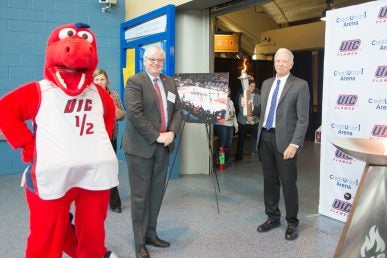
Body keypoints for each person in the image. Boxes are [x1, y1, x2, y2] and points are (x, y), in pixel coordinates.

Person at [0, 23, 118, 258]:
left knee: (93, 236)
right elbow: (5, 110)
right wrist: (27, 144)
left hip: (95, 172)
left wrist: (101, 142)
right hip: (51, 173)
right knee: (46, 237)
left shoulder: (98, 93)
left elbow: (109, 114)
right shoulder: (39, 90)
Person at [122, 45, 182, 258]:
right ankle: (139, 244)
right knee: (140, 197)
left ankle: (151, 234)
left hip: (163, 147)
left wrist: (172, 132)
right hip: (140, 148)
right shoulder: (135, 82)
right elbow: (134, 114)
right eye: (152, 59)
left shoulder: (170, 82)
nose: (156, 63)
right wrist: (157, 135)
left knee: (156, 193)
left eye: (160, 60)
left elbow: (177, 110)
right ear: (144, 60)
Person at [255, 48, 310, 241]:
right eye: (277, 61)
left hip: (286, 142)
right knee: (270, 183)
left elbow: (303, 119)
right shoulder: (267, 83)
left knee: (288, 184)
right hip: (266, 139)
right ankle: (272, 217)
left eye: (284, 61)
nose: (280, 64)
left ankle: (292, 223)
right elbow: (262, 111)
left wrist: (294, 145)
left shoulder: (300, 85)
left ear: (291, 64)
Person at [93, 69, 125, 213]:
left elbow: (122, 115)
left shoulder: (114, 95)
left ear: (107, 81)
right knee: (94, 170)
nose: (99, 82)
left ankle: (114, 203)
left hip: (110, 138)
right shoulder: (88, 95)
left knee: (110, 169)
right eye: (97, 79)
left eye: (102, 79)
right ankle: (94, 200)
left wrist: (112, 104)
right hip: (92, 140)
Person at [235, 81, 260, 162]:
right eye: (251, 86)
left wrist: (253, 119)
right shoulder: (242, 95)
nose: (252, 88)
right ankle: (238, 157)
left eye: (254, 86)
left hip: (254, 121)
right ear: (247, 86)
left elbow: (259, 109)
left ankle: (262, 157)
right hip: (244, 121)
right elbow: (241, 109)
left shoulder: (258, 96)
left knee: (259, 139)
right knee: (241, 139)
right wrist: (248, 118)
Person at [214, 88, 238, 167]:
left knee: (229, 144)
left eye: (229, 90)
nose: (228, 92)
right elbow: (216, 114)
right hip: (222, 125)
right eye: (226, 90)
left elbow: (233, 114)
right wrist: (224, 119)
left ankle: (227, 160)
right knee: (222, 144)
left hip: (230, 125)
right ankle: (221, 162)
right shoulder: (219, 101)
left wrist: (236, 125)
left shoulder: (231, 102)